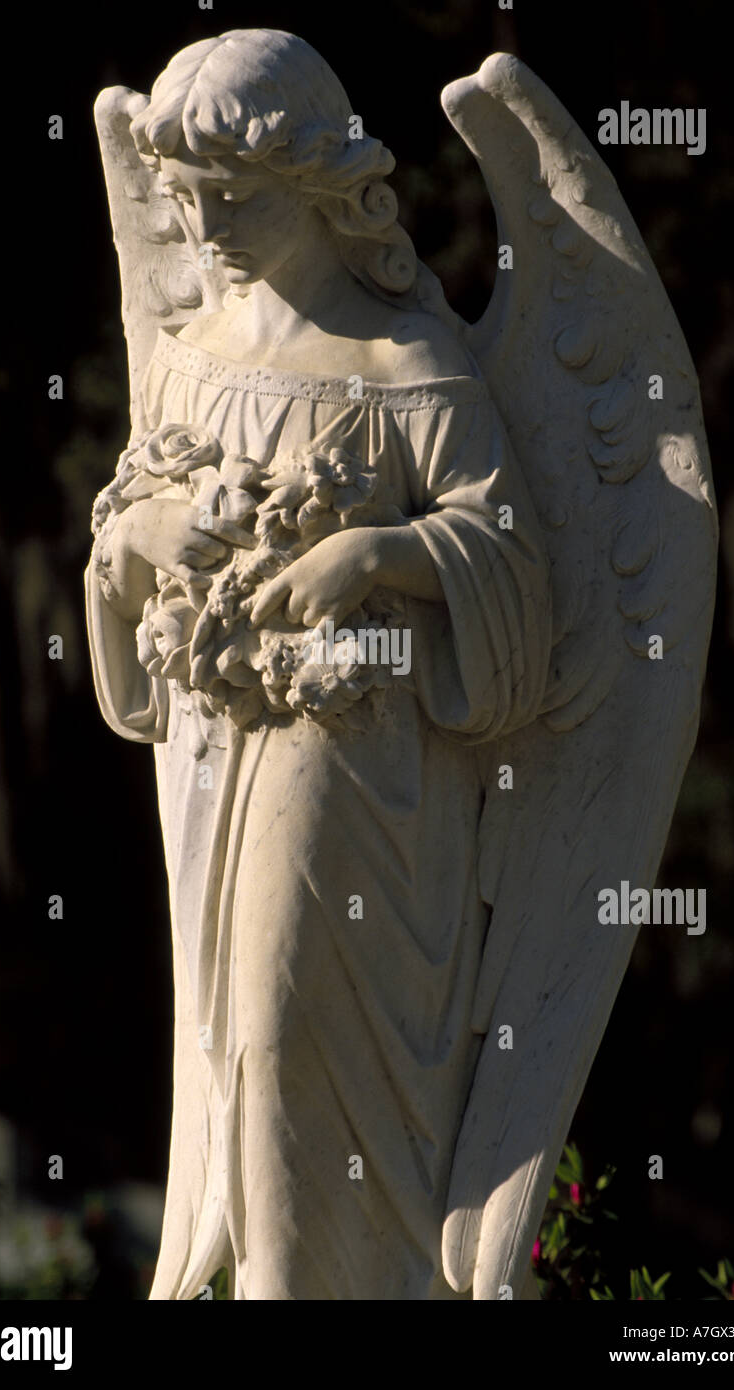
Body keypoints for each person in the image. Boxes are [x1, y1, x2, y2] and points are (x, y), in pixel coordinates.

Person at [86, 29, 552, 1299]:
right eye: (185, 202)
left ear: (317, 183)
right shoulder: (187, 359)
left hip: (359, 784)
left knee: (286, 1024)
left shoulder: (409, 371)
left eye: (237, 197)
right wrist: (142, 532)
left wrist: (377, 559)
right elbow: (118, 555)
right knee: (228, 1050)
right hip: (209, 763)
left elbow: (516, 574)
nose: (207, 225)